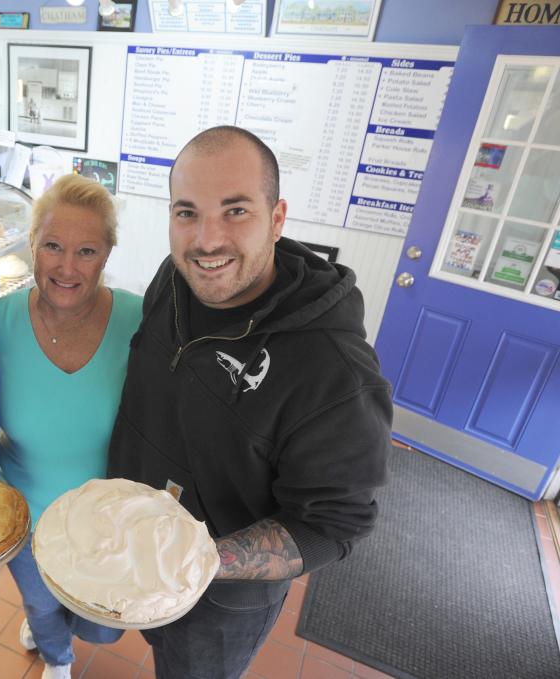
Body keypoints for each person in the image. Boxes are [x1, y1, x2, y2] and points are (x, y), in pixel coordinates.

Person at [107, 126, 393, 679]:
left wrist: (199, 562)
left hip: (221, 604)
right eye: (186, 212)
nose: (206, 241)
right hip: (134, 551)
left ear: (277, 217)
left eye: (235, 211)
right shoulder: (174, 277)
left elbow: (334, 525)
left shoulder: (333, 372)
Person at [0, 174, 141, 679]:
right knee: (41, 608)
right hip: (28, 520)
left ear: (106, 255)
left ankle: (64, 635)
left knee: (102, 626)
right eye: (53, 246)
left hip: (108, 528)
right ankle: (56, 659)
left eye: (87, 251)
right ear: (32, 245)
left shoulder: (140, 323)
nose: (67, 267)